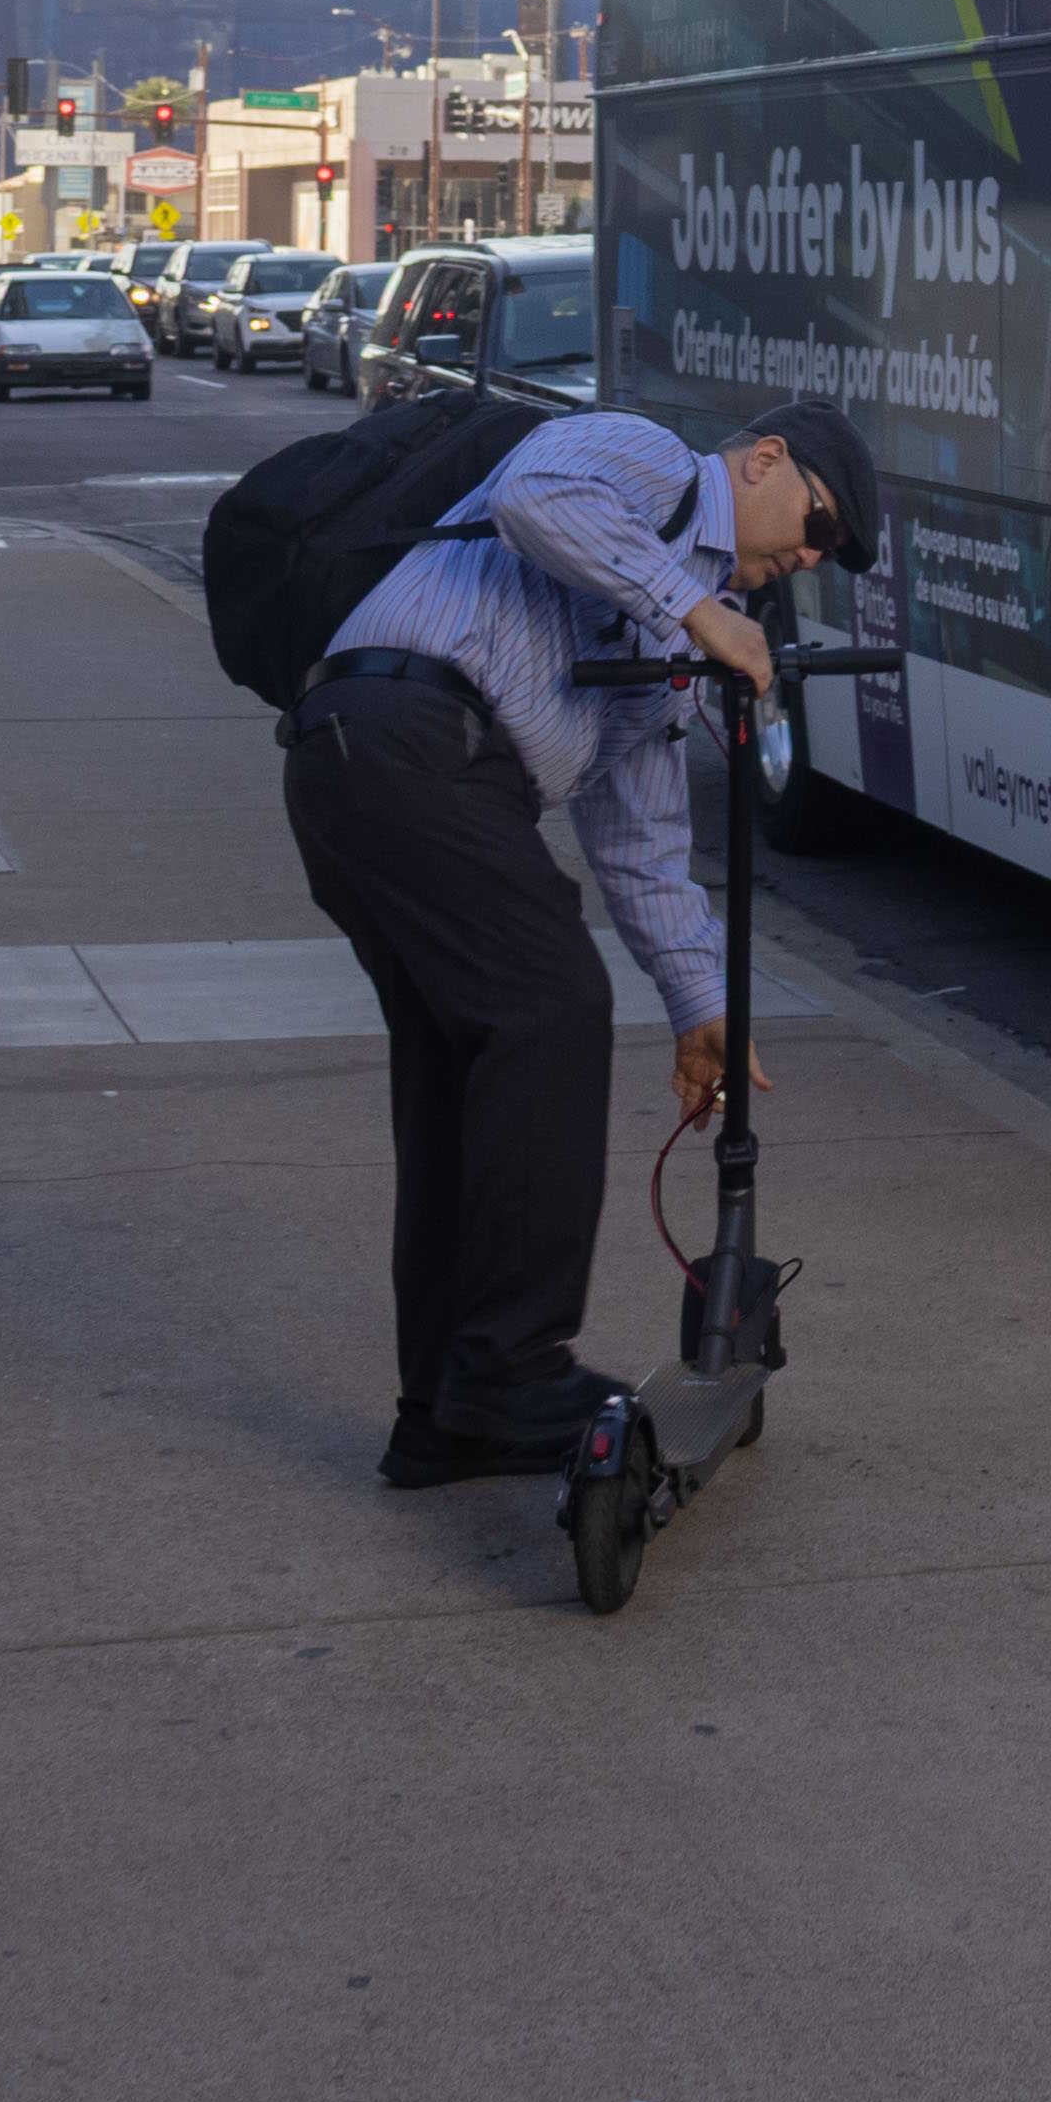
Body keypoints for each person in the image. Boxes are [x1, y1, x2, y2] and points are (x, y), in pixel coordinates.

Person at [277, 397, 876, 1489]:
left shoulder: (659, 632)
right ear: (765, 461)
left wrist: (702, 1011)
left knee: (465, 1075)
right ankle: (511, 1373)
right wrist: (697, 609)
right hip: (400, 738)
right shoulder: (654, 464)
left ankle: (445, 1410)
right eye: (819, 528)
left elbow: (642, 841)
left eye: (820, 556)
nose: (803, 559)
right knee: (551, 1010)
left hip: (401, 773)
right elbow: (533, 496)